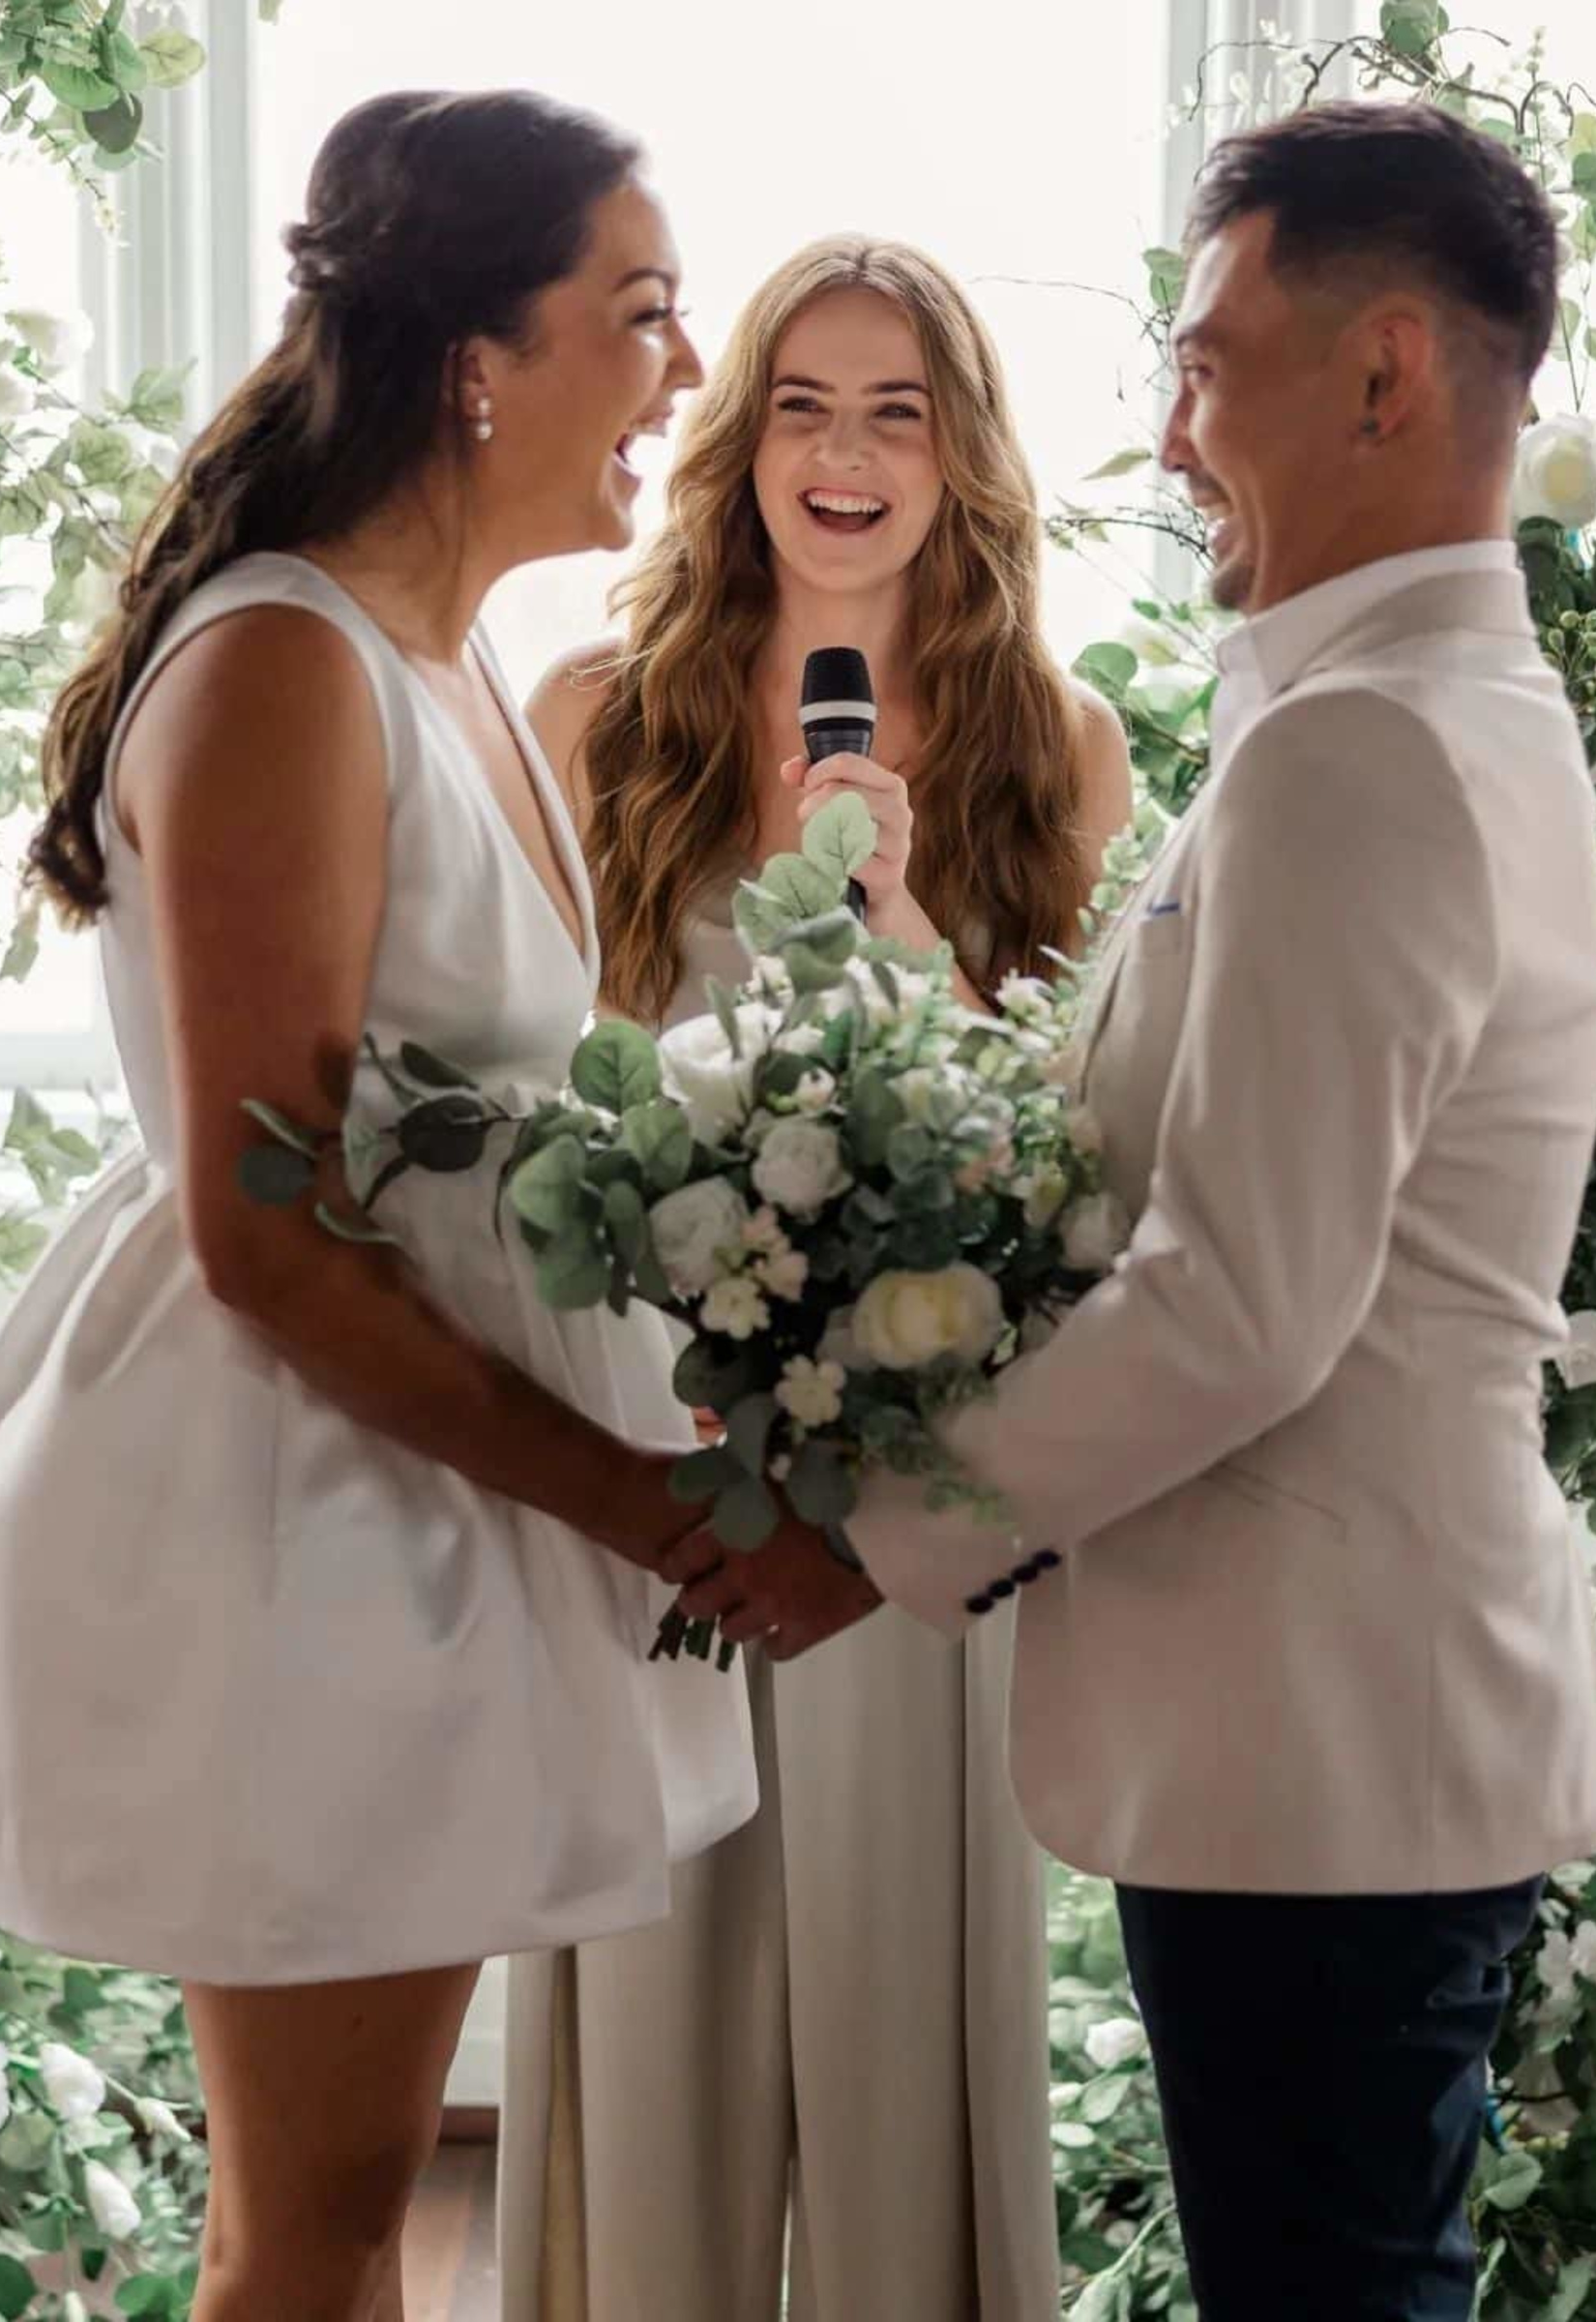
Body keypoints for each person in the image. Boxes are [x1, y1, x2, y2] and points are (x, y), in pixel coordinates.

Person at [669, 105, 1596, 2318]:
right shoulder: (1416, 706)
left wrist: (866, 1542)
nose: (1173, 430)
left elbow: (1245, 1305)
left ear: (1383, 375)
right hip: (1333, 1734)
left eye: (1205, 361)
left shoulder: (1362, 744)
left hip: (1331, 1744)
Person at [0, 90, 804, 2322]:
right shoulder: (288, 660)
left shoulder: (449, 655)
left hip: (414, 1509)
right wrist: (646, 1508)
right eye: (646, 311)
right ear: (479, 356)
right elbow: (266, 1226)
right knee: (314, 2224)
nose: (688, 376)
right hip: (301, 1509)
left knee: (328, 2212)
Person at [501, 237, 1133, 2322]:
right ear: (737, 434)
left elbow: (1055, 1148)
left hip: (914, 1455)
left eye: (895, 410)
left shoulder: (1060, 743)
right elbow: (545, 1090)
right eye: (801, 402)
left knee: (889, 1973)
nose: (844, 453)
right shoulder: (602, 711)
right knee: (656, 1965)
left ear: (959, 456)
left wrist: (901, 917)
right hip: (652, 1443)